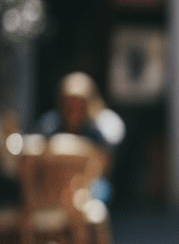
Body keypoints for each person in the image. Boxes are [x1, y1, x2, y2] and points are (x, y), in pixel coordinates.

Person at [36, 72, 125, 203]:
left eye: (79, 103)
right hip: (55, 181)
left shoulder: (98, 131)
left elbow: (104, 165)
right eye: (68, 102)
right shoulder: (49, 126)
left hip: (89, 183)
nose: (73, 108)